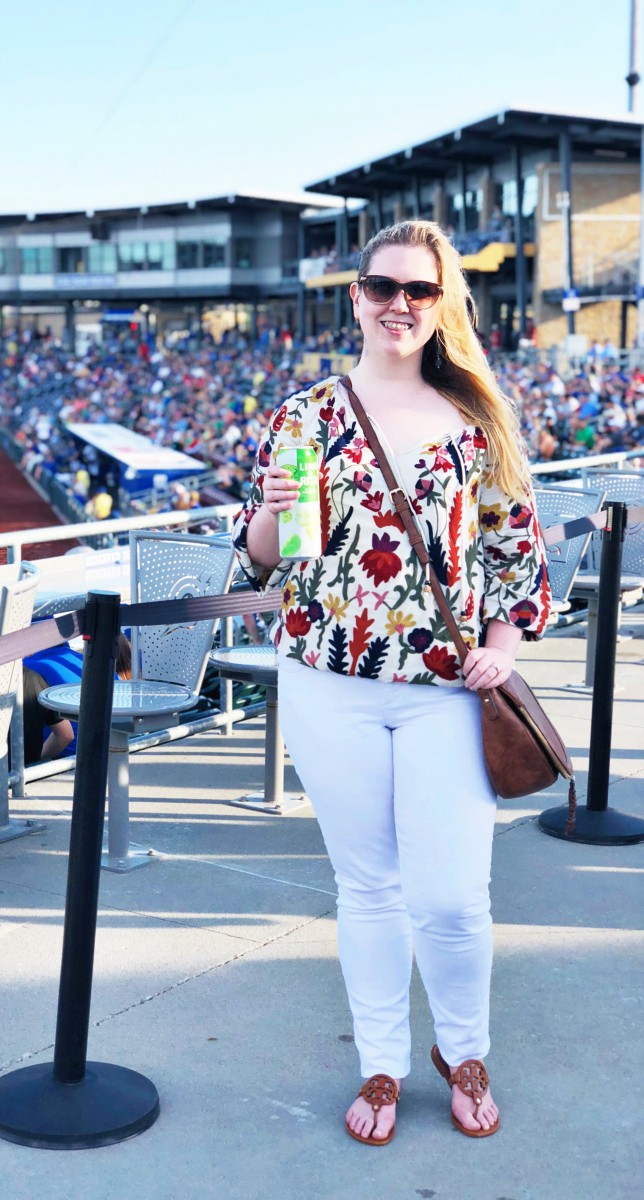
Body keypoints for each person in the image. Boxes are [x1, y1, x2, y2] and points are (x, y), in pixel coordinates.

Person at [233, 220, 550, 1145]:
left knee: (452, 895)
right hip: (329, 676)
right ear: (357, 295)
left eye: (418, 290)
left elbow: (511, 548)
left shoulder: (477, 416)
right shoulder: (305, 413)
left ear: (442, 300)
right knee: (367, 885)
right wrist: (269, 516)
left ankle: (465, 1049)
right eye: (383, 287)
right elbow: (259, 560)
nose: (399, 306)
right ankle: (381, 1061)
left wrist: (504, 640)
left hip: (448, 684)